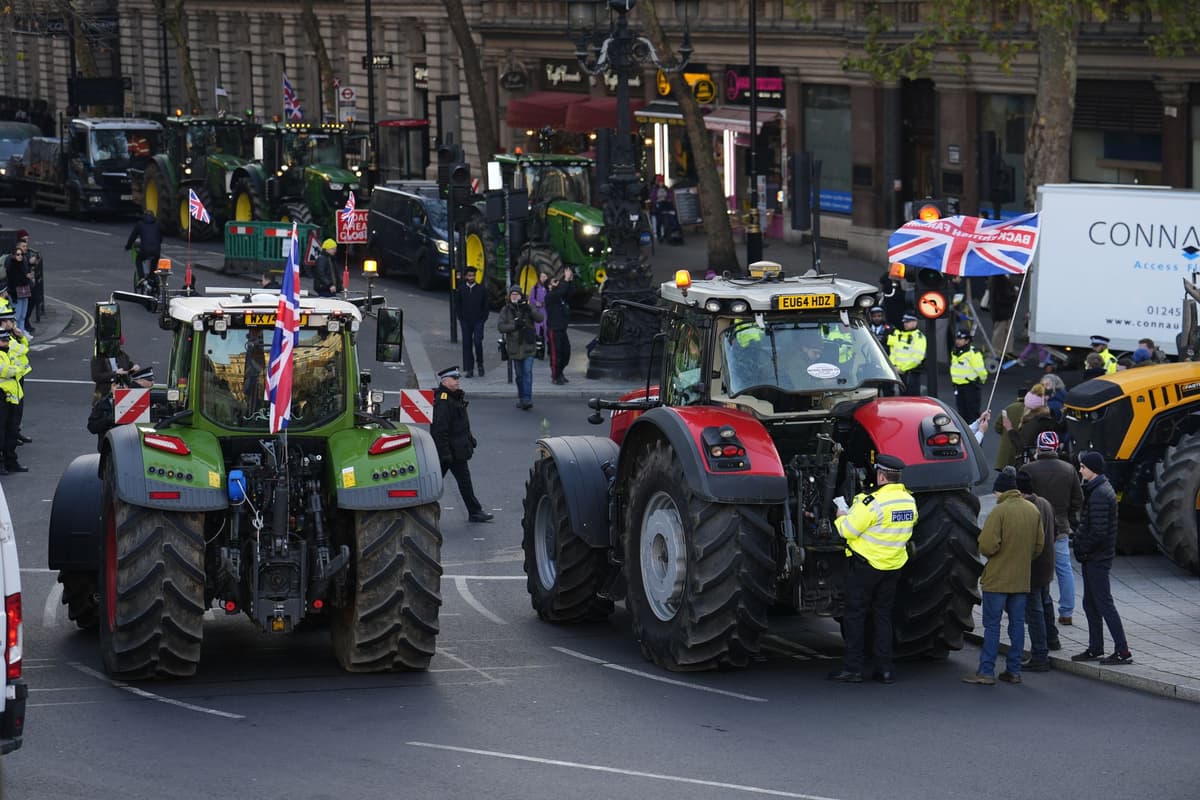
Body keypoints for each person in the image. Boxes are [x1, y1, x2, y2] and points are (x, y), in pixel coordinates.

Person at [827, 454, 916, 685]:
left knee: (855, 615)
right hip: (893, 566)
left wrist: (840, 515)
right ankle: (885, 669)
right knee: (883, 615)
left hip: (866, 567)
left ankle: (853, 668)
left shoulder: (871, 503)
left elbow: (847, 531)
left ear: (882, 476)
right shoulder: (908, 501)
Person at [963, 467, 1043, 685]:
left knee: (992, 625)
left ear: (1001, 491)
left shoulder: (999, 512)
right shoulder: (1032, 510)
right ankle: (1014, 671)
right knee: (1017, 625)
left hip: (997, 579)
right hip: (1021, 579)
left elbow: (987, 546)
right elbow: (1038, 546)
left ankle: (986, 672)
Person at [1070, 451, 1133, 665]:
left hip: (1097, 558)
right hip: (1094, 557)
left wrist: (1083, 550)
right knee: (1091, 603)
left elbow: (1098, 532)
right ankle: (1096, 647)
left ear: (1092, 469)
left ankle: (1122, 651)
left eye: (1083, 467)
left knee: (1104, 604)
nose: (1080, 470)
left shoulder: (1099, 494)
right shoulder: (1098, 490)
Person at [1021, 431, 1082, 627]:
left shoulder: (1028, 469)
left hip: (1033, 526)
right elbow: (1078, 499)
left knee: (1031, 568)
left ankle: (1029, 609)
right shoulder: (1069, 469)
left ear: (1039, 447)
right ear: (1056, 448)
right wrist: (1069, 519)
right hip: (1061, 527)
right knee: (1064, 569)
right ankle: (1066, 612)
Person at [430, 366, 493, 523]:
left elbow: (460, 425)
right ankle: (474, 512)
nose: (458, 381)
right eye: (454, 379)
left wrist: (469, 440)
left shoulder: (453, 397)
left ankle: (475, 511)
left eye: (458, 378)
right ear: (445, 381)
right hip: (450, 452)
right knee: (437, 484)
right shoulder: (444, 401)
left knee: (453, 482)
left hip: (455, 450)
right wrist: (445, 454)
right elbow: (439, 430)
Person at [1018, 468, 1059, 671]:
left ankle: (1040, 655)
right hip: (1047, 564)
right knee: (1046, 602)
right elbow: (1056, 530)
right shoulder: (1045, 503)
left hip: (1033, 567)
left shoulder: (1026, 508)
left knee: (1035, 612)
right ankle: (1053, 639)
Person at [497, 285, 544, 410]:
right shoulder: (506, 310)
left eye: (517, 294)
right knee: (519, 375)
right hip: (514, 348)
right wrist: (514, 326)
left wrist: (529, 309)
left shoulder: (527, 308)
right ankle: (522, 398)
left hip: (528, 347)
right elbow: (501, 327)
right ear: (509, 296)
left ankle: (527, 399)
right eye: (512, 294)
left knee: (527, 373)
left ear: (521, 296)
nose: (515, 296)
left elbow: (540, 319)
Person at [0, 309, 31, 448]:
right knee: (9, 419)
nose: (13, 323)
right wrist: (19, 370)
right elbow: (23, 350)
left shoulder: (10, 335)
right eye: (10, 321)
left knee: (16, 415)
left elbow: (24, 347)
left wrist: (21, 336)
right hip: (8, 383)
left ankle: (14, 435)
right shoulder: (4, 336)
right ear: (3, 322)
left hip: (16, 380)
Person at [1004, 383, 1055, 463]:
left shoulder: (1033, 423)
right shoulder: (1046, 418)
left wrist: (1010, 429)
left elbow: (1022, 445)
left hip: (1032, 464)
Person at [0, 329, 27, 474]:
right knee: (1, 431)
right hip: (1, 396)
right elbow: (6, 371)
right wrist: (14, 369)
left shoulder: (9, 353)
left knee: (12, 431)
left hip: (13, 396)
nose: (6, 342)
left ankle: (11, 461)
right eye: (3, 340)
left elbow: (21, 367)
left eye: (7, 339)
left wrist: (14, 369)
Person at [457, 268, 490, 378]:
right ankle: (469, 369)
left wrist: (483, 318)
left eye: (473, 275)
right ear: (466, 277)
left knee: (477, 341)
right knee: (467, 344)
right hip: (465, 321)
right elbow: (458, 304)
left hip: (478, 320)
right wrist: (461, 318)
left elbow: (486, 305)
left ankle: (480, 364)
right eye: (470, 276)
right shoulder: (461, 289)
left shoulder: (481, 289)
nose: (472, 278)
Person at [949, 329, 987, 422]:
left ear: (967, 340)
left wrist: (981, 381)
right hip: (958, 387)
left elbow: (981, 371)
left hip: (970, 387)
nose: (957, 341)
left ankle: (974, 435)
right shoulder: (955, 352)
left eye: (961, 339)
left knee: (972, 414)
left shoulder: (973, 353)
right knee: (961, 413)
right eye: (957, 338)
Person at [545, 267, 574, 384]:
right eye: (554, 281)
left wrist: (570, 280)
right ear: (549, 286)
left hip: (562, 329)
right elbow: (561, 290)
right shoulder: (550, 296)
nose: (557, 282)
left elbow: (570, 292)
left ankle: (561, 372)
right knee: (555, 353)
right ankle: (555, 376)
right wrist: (566, 279)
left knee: (566, 352)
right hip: (554, 329)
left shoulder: (560, 296)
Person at [886, 312, 926, 396]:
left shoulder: (918, 337)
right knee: (903, 398)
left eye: (907, 322)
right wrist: (893, 366)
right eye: (904, 322)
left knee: (913, 400)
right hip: (900, 374)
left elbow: (917, 358)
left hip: (911, 374)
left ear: (915, 322)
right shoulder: (901, 335)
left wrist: (902, 369)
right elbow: (893, 352)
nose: (905, 324)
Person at [125, 210, 163, 290]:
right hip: (156, 250)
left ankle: (142, 277)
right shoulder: (157, 224)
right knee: (154, 262)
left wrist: (128, 246)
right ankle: (152, 278)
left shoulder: (140, 224)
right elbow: (160, 239)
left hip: (145, 250)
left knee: (138, 260)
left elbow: (133, 237)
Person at [16, 231, 43, 331]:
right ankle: (21, 330)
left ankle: (23, 329)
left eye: (26, 244)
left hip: (25, 284)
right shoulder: (17, 255)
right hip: (21, 286)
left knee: (27, 305)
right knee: (20, 311)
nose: (26, 247)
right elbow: (18, 269)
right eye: (24, 245)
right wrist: (27, 274)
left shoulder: (25, 254)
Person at [3, 248, 33, 336]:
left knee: (23, 316)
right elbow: (15, 281)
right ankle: (16, 335)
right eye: (18, 254)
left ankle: (22, 334)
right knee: (17, 316)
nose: (20, 256)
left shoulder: (23, 265)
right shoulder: (12, 266)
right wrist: (27, 277)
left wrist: (27, 277)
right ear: (13, 255)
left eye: (21, 255)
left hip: (24, 292)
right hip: (15, 294)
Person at [988, 274, 1018, 360]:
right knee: (1000, 332)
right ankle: (997, 353)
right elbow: (1001, 297)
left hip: (1002, 310)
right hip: (1001, 311)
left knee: (1006, 331)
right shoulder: (999, 278)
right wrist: (1013, 296)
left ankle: (1005, 352)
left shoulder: (997, 277)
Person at [528, 271, 549, 342]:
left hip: (546, 311)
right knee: (538, 329)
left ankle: (545, 342)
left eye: (545, 277)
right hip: (538, 311)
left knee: (546, 329)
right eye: (542, 277)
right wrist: (536, 303)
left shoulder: (548, 288)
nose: (543, 278)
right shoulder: (535, 288)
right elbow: (531, 299)